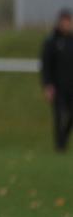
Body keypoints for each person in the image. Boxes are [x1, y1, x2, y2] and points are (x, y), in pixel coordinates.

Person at [41, 8, 73, 152]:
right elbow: (46, 65)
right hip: (58, 86)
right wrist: (47, 85)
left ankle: (64, 139)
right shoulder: (51, 41)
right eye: (64, 22)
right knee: (59, 117)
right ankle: (60, 147)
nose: (67, 24)